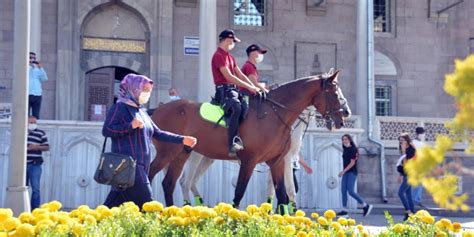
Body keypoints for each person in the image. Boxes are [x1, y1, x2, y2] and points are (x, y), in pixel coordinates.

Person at [102, 73, 197, 208]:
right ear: (133, 89)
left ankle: (92, 225)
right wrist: (130, 126)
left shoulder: (141, 112)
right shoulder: (120, 108)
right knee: (149, 205)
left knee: (113, 205)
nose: (147, 94)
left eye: (149, 91)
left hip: (141, 165)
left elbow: (158, 133)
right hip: (128, 165)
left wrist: (182, 139)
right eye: (144, 90)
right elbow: (107, 130)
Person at [211, 29, 259, 157]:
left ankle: (241, 137)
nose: (233, 44)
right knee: (236, 108)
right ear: (227, 40)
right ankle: (232, 143)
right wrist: (249, 86)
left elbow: (240, 75)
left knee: (246, 108)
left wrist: (254, 86)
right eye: (233, 41)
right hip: (224, 90)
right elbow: (229, 77)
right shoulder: (218, 56)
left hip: (233, 90)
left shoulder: (230, 57)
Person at [336, 134, 372, 217]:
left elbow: (352, 163)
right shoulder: (345, 149)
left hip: (352, 172)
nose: (344, 141)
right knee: (343, 191)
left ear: (350, 140)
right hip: (346, 172)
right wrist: (344, 172)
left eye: (346, 139)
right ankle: (344, 211)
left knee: (351, 191)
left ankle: (365, 205)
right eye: (343, 139)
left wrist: (343, 171)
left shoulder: (353, 149)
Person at [26, 116, 49, 210]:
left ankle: (34, 210)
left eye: (34, 122)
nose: (33, 124)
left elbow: (46, 147)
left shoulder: (41, 133)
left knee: (36, 189)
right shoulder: (21, 132)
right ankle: (24, 207)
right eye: (30, 123)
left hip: (35, 164)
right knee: (22, 188)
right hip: (21, 165)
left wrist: (36, 147)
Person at [396, 133, 416, 221]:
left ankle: (408, 212)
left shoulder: (412, 150)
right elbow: (402, 165)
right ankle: (413, 213)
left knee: (400, 193)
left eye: (402, 141)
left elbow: (406, 164)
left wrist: (404, 152)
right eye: (400, 141)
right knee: (408, 194)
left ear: (407, 141)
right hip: (406, 173)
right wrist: (400, 175)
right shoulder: (402, 149)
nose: (401, 143)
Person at [28, 52, 48, 119]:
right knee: (25, 114)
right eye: (30, 58)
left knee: (36, 114)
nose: (32, 59)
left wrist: (41, 68)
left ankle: (34, 127)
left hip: (37, 94)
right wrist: (30, 67)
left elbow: (45, 78)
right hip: (27, 94)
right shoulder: (25, 68)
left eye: (34, 58)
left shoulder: (38, 70)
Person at [411, 127, 426, 208]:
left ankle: (417, 199)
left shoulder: (422, 144)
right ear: (417, 134)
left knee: (419, 184)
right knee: (416, 184)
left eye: (423, 134)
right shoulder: (413, 143)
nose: (423, 136)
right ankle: (414, 200)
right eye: (421, 134)